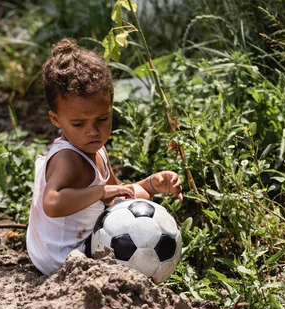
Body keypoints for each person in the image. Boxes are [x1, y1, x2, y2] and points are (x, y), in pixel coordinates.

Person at [26, 38, 183, 275]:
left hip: (72, 240)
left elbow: (117, 194)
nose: (93, 131)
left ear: (111, 107)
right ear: (56, 119)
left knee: (129, 205)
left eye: (102, 119)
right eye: (78, 123)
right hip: (61, 257)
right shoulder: (68, 159)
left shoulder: (96, 148)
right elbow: (52, 203)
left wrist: (151, 184)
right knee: (128, 243)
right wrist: (101, 192)